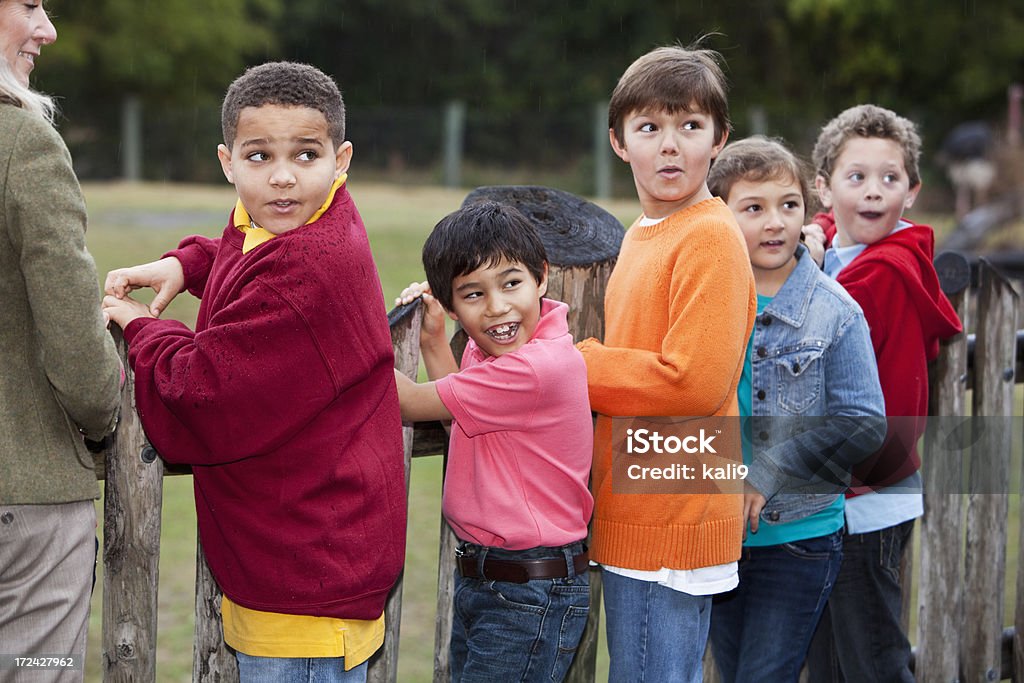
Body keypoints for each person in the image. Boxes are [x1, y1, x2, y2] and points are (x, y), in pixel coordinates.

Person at [102, 61, 406, 682]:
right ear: (227, 162)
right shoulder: (310, 222)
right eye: (260, 155)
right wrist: (189, 264)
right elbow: (246, 256)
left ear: (341, 159)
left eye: (306, 154)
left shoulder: (308, 268)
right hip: (307, 560)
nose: (284, 176)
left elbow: (201, 393)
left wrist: (141, 327)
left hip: (308, 588)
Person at [575, 44, 757, 682]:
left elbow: (694, 382)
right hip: (641, 502)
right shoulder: (643, 233)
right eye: (650, 127)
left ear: (719, 139)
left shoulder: (708, 234)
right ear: (620, 141)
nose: (671, 146)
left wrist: (580, 365)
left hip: (674, 512)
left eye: (690, 126)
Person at [704, 136, 886, 682]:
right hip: (714, 537)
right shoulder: (703, 305)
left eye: (788, 205)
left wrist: (767, 473)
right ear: (719, 217)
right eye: (753, 208)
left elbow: (864, 423)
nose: (775, 223)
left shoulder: (835, 312)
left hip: (799, 540)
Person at [392, 201, 593, 682]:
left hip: (528, 591)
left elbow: (410, 402)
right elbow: (459, 423)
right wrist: (434, 341)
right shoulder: (498, 357)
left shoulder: (535, 368)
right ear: (453, 304)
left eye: (511, 283)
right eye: (473, 294)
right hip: (498, 581)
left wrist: (339, 337)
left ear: (541, 278)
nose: (498, 306)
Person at [804, 104, 962, 682]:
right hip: (834, 497)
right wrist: (816, 240)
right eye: (856, 177)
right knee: (828, 661)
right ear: (823, 188)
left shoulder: (887, 276)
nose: (873, 192)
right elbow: (826, 235)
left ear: (913, 190)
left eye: (889, 178)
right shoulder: (835, 252)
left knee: (871, 659)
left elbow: (887, 407)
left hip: (863, 496)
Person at [0, 2, 122, 680]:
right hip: (26, 499)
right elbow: (80, 358)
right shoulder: (22, 144)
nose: (46, 28)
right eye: (28, 4)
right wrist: (103, 412)